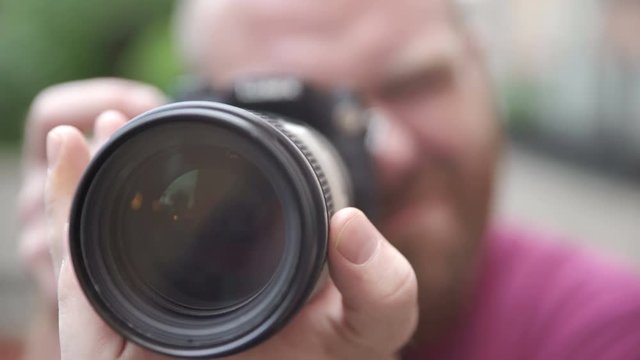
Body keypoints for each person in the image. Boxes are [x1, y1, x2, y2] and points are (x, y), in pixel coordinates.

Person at [17, 0, 640, 359]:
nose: (383, 146)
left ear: (483, 76)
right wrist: (95, 292)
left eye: (413, 84)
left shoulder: (600, 326)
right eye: (290, 119)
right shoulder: (167, 302)